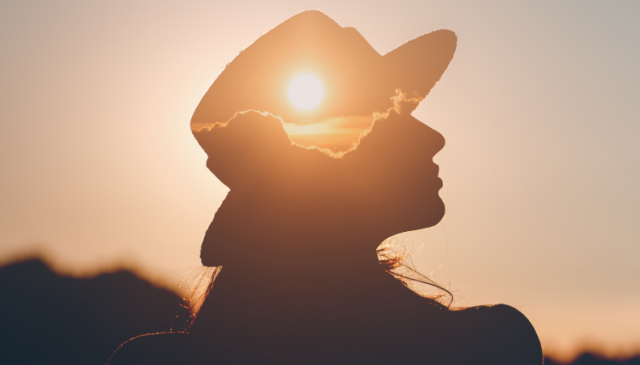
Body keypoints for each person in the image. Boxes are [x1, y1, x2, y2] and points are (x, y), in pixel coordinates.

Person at [108, 10, 542, 365]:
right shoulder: (490, 347)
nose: (433, 137)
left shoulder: (155, 360)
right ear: (326, 168)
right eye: (387, 119)